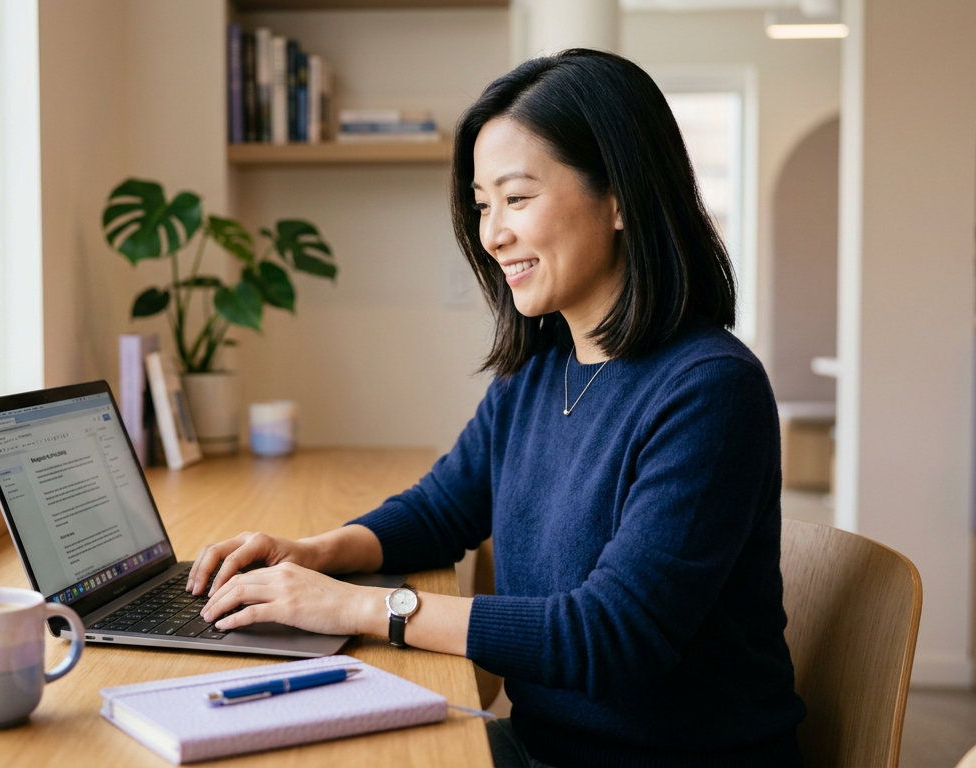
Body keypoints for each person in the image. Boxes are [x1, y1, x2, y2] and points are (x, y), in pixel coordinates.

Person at [188, 49, 806, 768]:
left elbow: (611, 635)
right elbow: (441, 511)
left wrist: (358, 607)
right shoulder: (543, 368)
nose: (492, 234)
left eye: (517, 199)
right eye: (483, 206)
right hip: (546, 747)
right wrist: (312, 553)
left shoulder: (710, 391)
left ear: (620, 199)